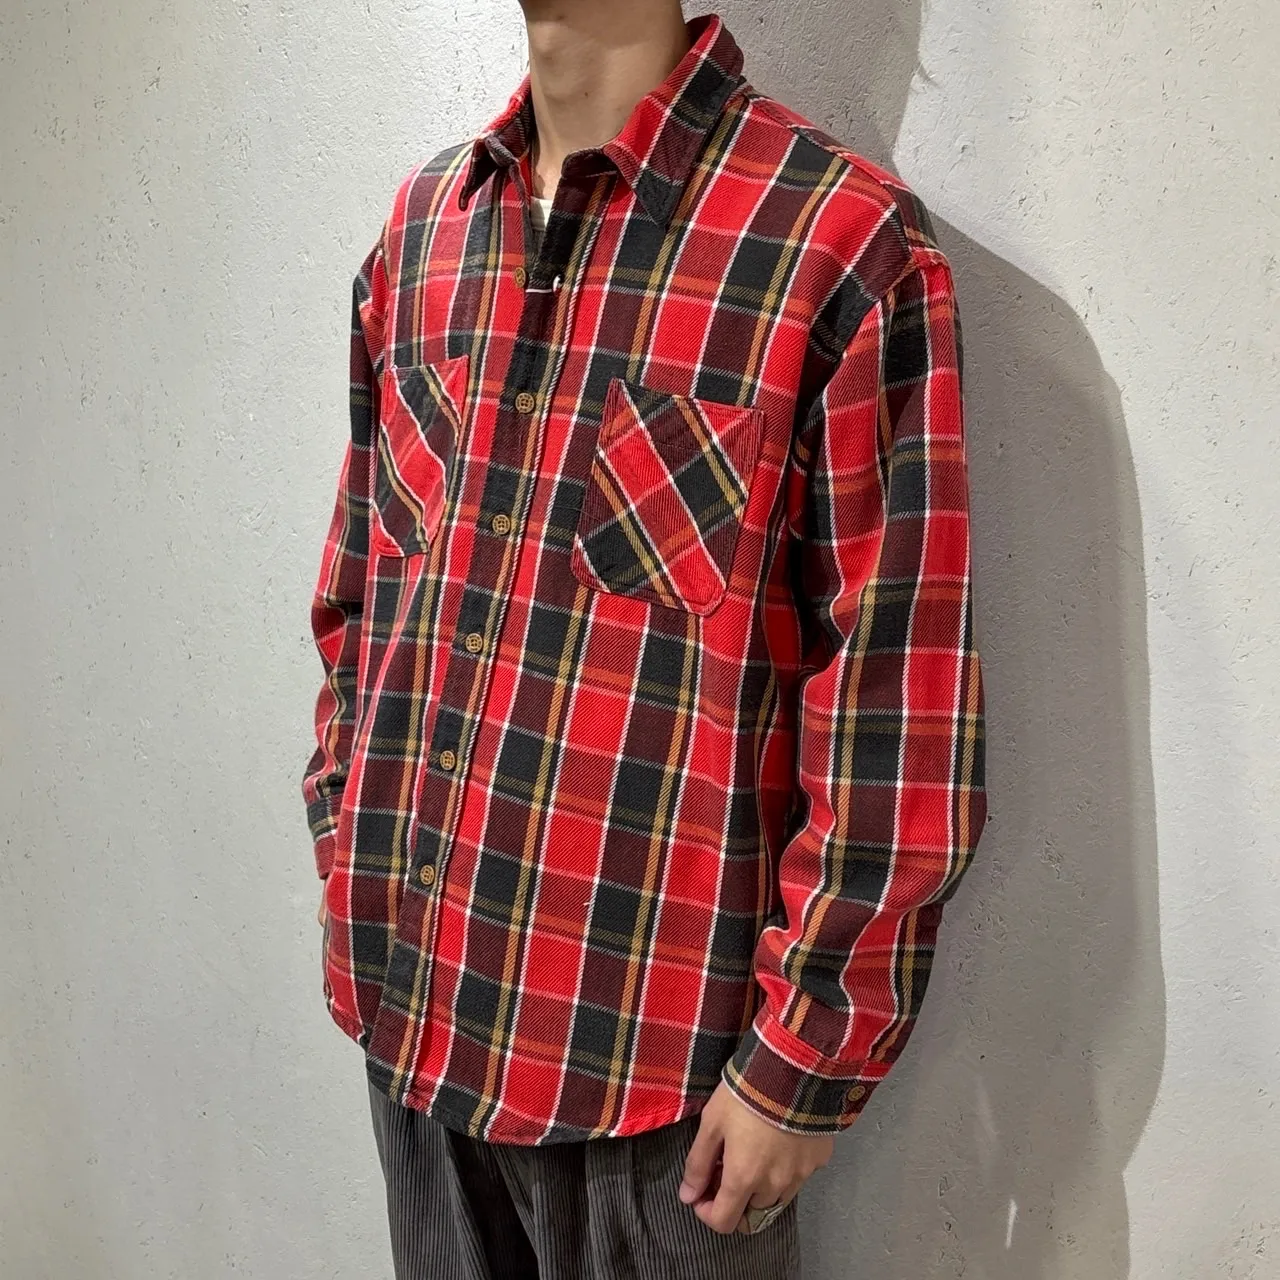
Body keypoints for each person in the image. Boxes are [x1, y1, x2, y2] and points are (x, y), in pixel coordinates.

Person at [301, 3, 987, 1276]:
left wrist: (804, 1058)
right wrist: (347, 842)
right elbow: (360, 599)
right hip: (413, 1016)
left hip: (660, 1088)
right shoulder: (421, 234)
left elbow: (896, 690)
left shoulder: (834, 241)